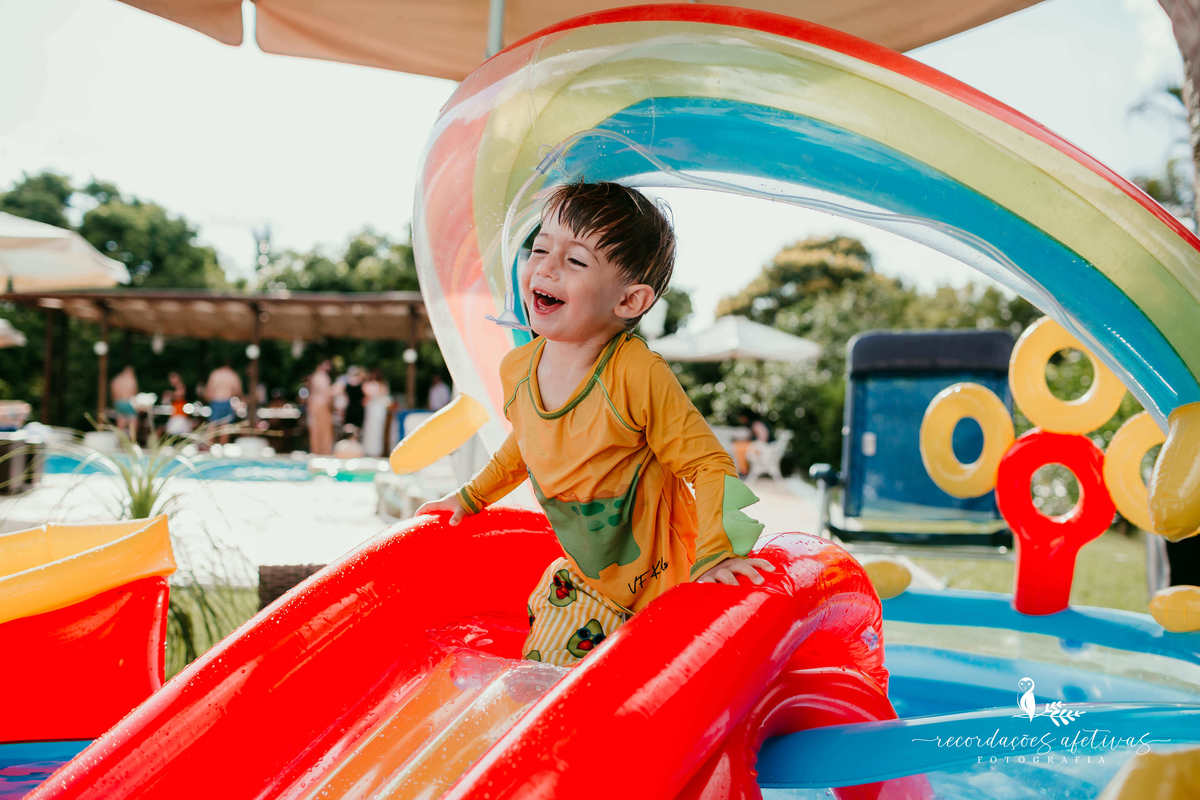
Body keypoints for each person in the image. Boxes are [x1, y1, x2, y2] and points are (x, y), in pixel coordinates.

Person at [417, 181, 772, 667]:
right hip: (585, 585)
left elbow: (709, 464)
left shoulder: (635, 374)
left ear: (629, 301)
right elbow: (526, 443)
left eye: (575, 261)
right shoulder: (518, 369)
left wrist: (721, 552)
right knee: (544, 672)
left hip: (665, 586)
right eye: (540, 248)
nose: (545, 267)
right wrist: (470, 497)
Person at [204, 363, 244, 444]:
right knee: (225, 426)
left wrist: (209, 400)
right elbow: (238, 390)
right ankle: (222, 446)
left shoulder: (215, 374)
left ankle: (209, 446)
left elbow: (208, 390)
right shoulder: (232, 374)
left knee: (212, 425)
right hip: (226, 401)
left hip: (216, 401)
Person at [361, 369, 390, 457]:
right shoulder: (372, 385)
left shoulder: (381, 385)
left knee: (377, 430)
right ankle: (370, 449)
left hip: (378, 409)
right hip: (373, 409)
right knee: (370, 429)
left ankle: (376, 450)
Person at [307, 360, 334, 455]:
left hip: (315, 405)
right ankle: (323, 451)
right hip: (321, 405)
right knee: (323, 430)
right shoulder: (322, 377)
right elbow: (326, 393)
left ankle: (317, 450)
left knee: (316, 429)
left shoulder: (315, 376)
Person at [110, 365, 138, 439]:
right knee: (133, 421)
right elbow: (133, 393)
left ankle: (120, 440)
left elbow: (113, 393)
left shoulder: (117, 380)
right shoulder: (131, 380)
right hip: (128, 402)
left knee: (121, 422)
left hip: (118, 403)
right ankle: (132, 440)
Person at [164, 371, 191, 436]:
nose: (170, 381)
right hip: (175, 416)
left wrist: (169, 395)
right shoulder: (175, 389)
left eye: (172, 378)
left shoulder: (181, 387)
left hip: (179, 417)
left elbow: (180, 395)